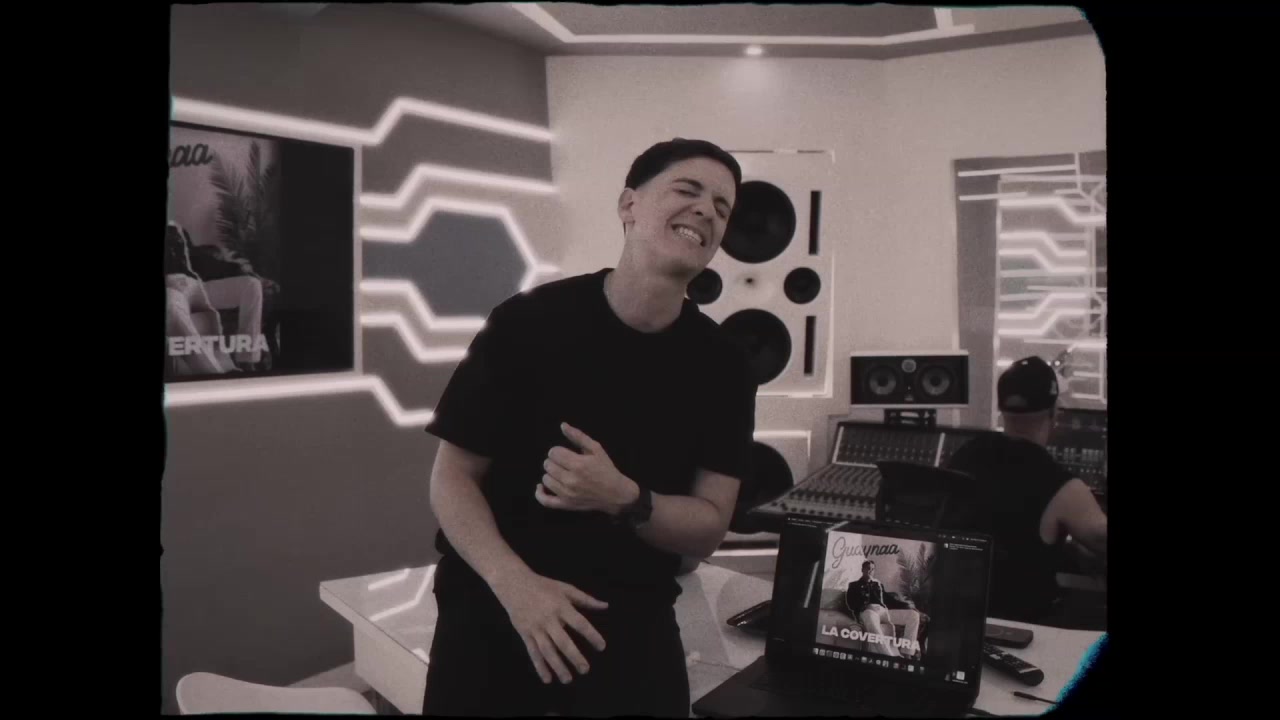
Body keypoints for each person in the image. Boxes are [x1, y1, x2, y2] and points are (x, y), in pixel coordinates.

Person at [421, 139, 757, 717]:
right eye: (688, 190)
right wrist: (517, 586)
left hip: (629, 624)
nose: (707, 210)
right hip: (496, 605)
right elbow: (452, 478)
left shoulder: (725, 366)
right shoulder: (527, 322)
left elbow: (708, 527)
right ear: (629, 205)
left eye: (722, 207)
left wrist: (624, 496)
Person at [943, 356, 1108, 623]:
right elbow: (1101, 539)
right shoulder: (1058, 483)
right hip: (1026, 628)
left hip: (962, 622)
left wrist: (1067, 550)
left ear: (1001, 409)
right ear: (1054, 413)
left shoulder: (965, 455)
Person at [844, 560, 921, 659]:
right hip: (868, 612)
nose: (870, 571)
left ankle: (907, 654)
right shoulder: (854, 585)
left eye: (873, 569)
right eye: (868, 568)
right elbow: (850, 603)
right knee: (869, 616)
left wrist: (908, 606)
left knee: (914, 615)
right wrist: (865, 606)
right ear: (862, 570)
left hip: (884, 611)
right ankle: (888, 656)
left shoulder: (878, 584)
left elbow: (889, 600)